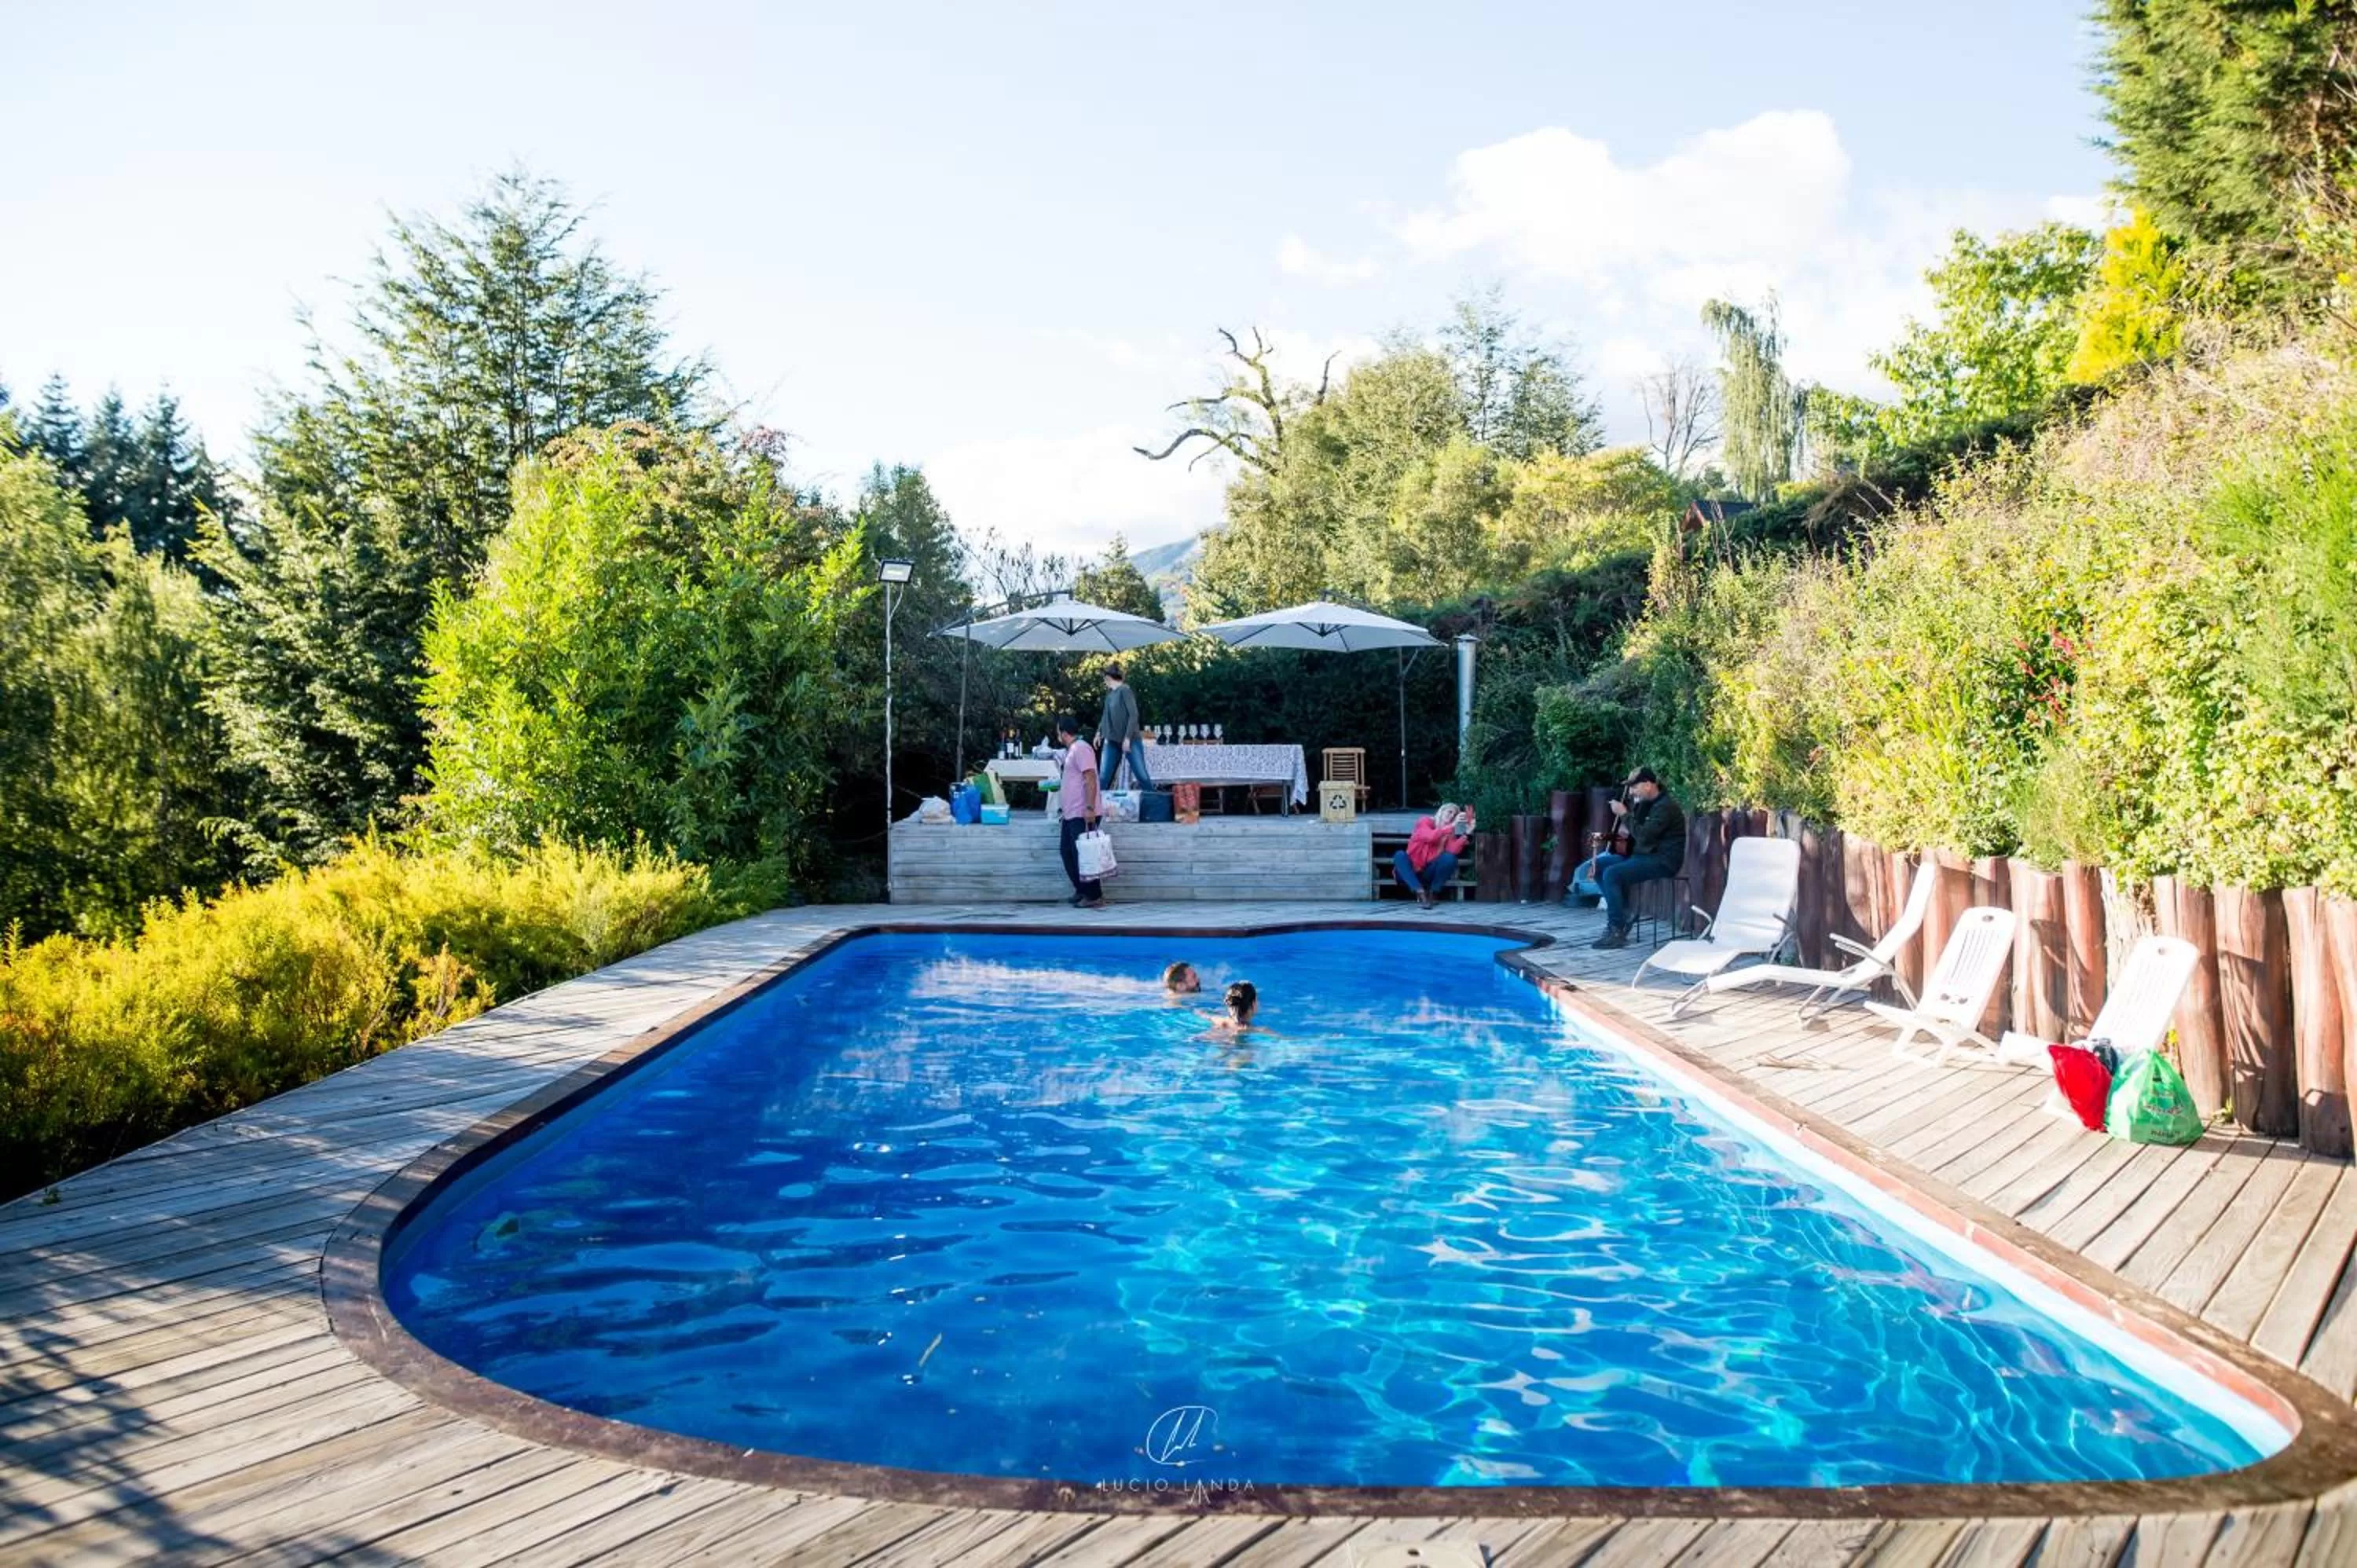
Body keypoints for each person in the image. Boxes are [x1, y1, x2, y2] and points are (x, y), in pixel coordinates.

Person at [1582, 768, 1686, 950]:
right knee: (1599, 865)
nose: (1630, 792)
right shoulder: (1647, 803)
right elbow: (1632, 835)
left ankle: (1616, 929)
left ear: (1648, 785)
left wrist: (1623, 813)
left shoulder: (1665, 807)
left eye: (1634, 787)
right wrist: (1609, 835)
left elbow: (1644, 836)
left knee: (1613, 874)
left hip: (1663, 860)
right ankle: (1623, 917)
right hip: (1644, 855)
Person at [1053, 715, 1106, 909]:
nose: (1057, 734)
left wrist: (1090, 808)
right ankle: (1081, 889)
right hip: (1070, 813)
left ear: (1064, 732)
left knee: (1084, 854)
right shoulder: (1072, 750)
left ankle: (1094, 896)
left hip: (1083, 812)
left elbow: (1090, 777)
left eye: (1058, 730)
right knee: (1067, 852)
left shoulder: (1081, 748)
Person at [1394, 803, 1474, 909]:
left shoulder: (1449, 830)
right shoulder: (1425, 821)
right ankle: (1421, 893)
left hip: (1427, 873)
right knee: (1400, 855)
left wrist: (1467, 833)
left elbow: (1452, 850)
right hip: (1409, 872)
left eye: (1454, 815)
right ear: (1442, 811)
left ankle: (1433, 893)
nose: (1451, 816)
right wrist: (1452, 825)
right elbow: (1430, 837)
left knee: (1450, 858)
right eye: (1449, 812)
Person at [1096, 664, 1153, 791]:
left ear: (1110, 678)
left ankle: (1154, 803)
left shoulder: (1125, 691)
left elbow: (1133, 715)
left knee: (1141, 775)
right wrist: (1098, 733)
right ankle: (1095, 807)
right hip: (1112, 740)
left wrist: (1127, 738)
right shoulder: (1110, 695)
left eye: (1105, 679)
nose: (1105, 682)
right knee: (1104, 777)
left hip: (1131, 740)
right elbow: (1105, 715)